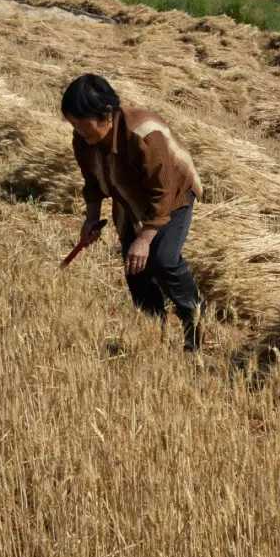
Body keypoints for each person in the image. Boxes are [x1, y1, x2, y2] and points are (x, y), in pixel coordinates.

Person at [63, 74, 206, 352]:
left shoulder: (144, 134)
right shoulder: (83, 139)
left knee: (163, 260)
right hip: (129, 200)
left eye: (82, 124)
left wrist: (144, 239)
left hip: (172, 197)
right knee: (135, 270)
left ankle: (195, 325)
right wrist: (91, 218)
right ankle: (154, 334)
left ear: (105, 114)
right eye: (73, 124)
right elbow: (92, 182)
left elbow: (162, 191)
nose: (78, 131)